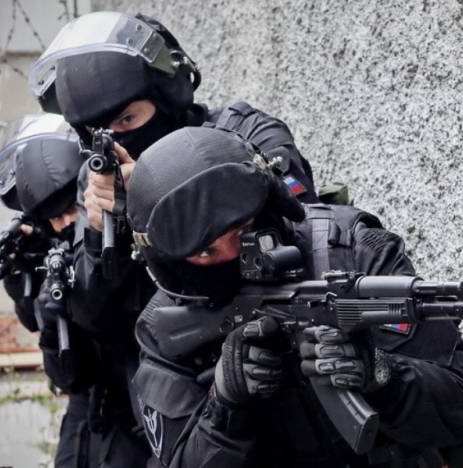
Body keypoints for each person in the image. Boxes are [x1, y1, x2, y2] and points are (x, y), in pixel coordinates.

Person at [25, 11, 320, 457]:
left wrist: (158, 187)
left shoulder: (243, 131)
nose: (118, 139)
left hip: (277, 361)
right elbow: (93, 317)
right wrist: (100, 234)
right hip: (176, 392)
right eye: (98, 132)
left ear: (166, 95)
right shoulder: (97, 181)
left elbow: (300, 218)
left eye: (128, 120)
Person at [125, 127, 463, 468]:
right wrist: (224, 405)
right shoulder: (164, 328)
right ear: (172, 262)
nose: (234, 256)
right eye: (206, 251)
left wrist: (382, 375)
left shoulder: (351, 250)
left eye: (244, 230)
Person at [0, 114, 103, 467]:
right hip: (88, 401)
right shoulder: (51, 244)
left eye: (70, 209)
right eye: (54, 217)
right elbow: (39, 325)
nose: (65, 223)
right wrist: (23, 277)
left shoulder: (112, 232)